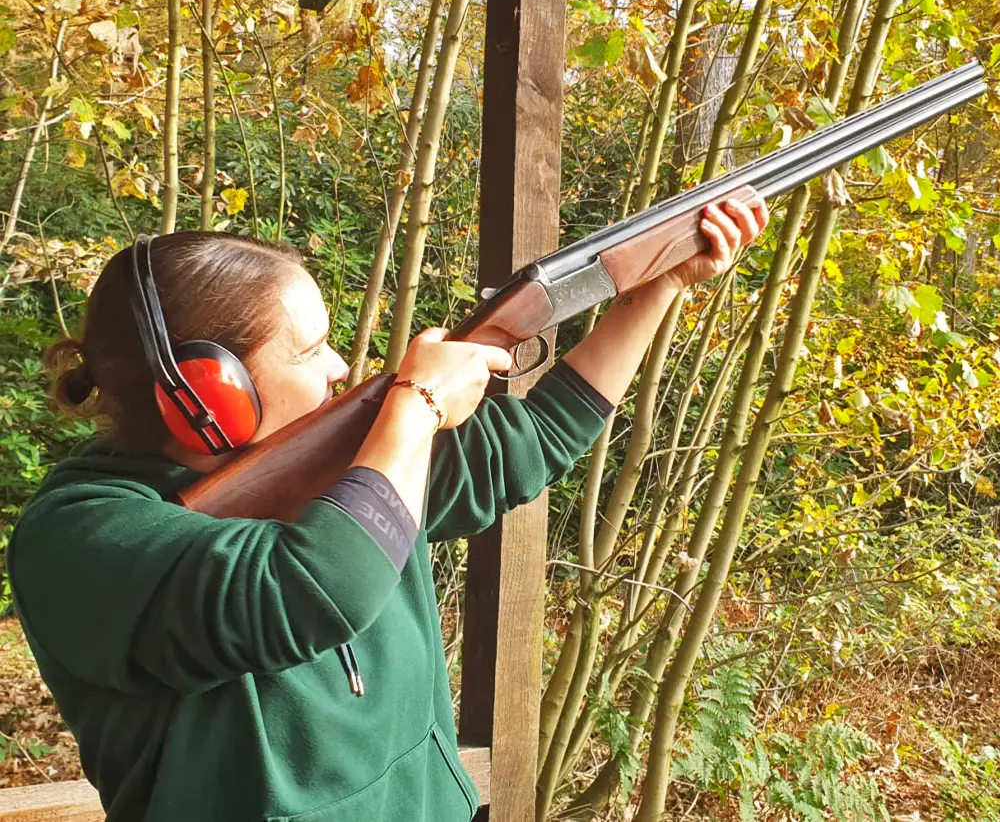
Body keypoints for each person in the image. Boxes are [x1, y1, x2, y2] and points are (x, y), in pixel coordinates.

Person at [8, 194, 768, 822]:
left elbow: (533, 440)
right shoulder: (79, 534)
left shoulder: (357, 460)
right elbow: (311, 587)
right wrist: (418, 404)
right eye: (310, 352)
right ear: (214, 389)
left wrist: (657, 288)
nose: (342, 367)